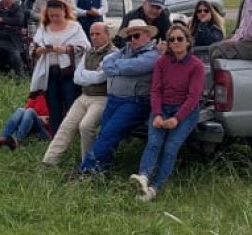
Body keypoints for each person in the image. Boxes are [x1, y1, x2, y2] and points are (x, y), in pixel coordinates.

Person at [130, 24, 206, 201]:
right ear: (168, 43)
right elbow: (155, 90)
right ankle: (143, 178)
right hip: (163, 107)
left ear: (188, 42)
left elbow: (193, 97)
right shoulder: (162, 62)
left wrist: (177, 118)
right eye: (172, 39)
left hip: (185, 110)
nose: (176, 42)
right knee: (154, 142)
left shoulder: (197, 66)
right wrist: (157, 113)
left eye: (180, 38)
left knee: (171, 147)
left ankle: (155, 188)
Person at [75, 19, 160, 174]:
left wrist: (113, 67)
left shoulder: (153, 54)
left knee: (109, 134)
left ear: (147, 35)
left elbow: (133, 67)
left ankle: (85, 171)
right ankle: (101, 170)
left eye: (136, 36)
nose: (132, 40)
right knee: (105, 134)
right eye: (129, 37)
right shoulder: (125, 50)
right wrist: (115, 66)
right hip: (114, 99)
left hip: (134, 102)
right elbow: (107, 61)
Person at [41, 22, 114, 166]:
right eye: (92, 34)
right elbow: (76, 78)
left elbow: (101, 77)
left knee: (86, 126)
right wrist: (90, 75)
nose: (94, 37)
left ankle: (88, 165)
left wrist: (85, 75)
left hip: (102, 98)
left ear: (107, 34)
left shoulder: (112, 54)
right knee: (66, 125)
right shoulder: (89, 51)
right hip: (84, 96)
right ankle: (49, 161)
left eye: (98, 34)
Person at [29, 0, 90, 134]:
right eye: (51, 15)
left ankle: (74, 133)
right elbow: (33, 49)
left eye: (57, 15)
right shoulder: (43, 28)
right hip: (50, 72)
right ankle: (56, 135)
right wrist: (41, 50)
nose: (54, 18)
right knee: (53, 105)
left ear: (64, 12)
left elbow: (85, 47)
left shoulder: (75, 27)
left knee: (71, 102)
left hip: (69, 72)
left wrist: (67, 49)